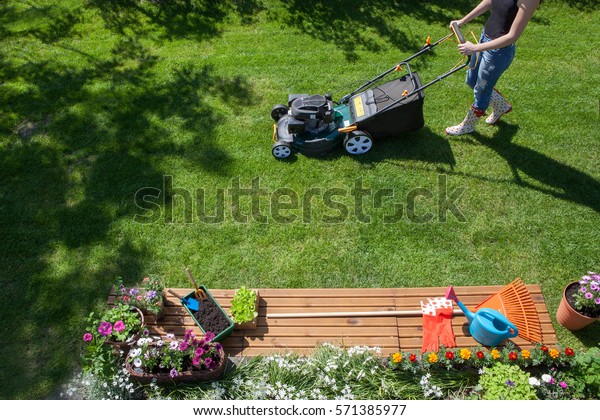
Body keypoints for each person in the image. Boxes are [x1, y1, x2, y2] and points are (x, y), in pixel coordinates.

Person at [446, 0, 541, 136]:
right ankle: (501, 106)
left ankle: (468, 125)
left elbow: (512, 37)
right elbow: (490, 1)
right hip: (484, 38)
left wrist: (474, 48)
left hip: (498, 53)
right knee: (471, 81)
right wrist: (463, 20)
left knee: (482, 90)